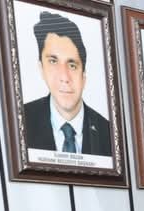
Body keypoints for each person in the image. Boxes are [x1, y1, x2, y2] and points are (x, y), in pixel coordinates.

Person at [23, 12, 113, 157]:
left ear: (84, 75)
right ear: (41, 68)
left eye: (72, 65)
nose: (64, 77)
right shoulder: (21, 121)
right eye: (53, 61)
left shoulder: (110, 133)